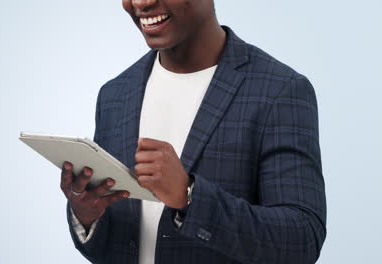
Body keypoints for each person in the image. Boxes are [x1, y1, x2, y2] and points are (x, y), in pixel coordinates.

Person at [60, 0, 327, 263]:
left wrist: (190, 196)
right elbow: (115, 248)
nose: (142, 3)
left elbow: (302, 239)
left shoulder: (279, 91)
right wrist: (87, 215)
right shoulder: (115, 94)